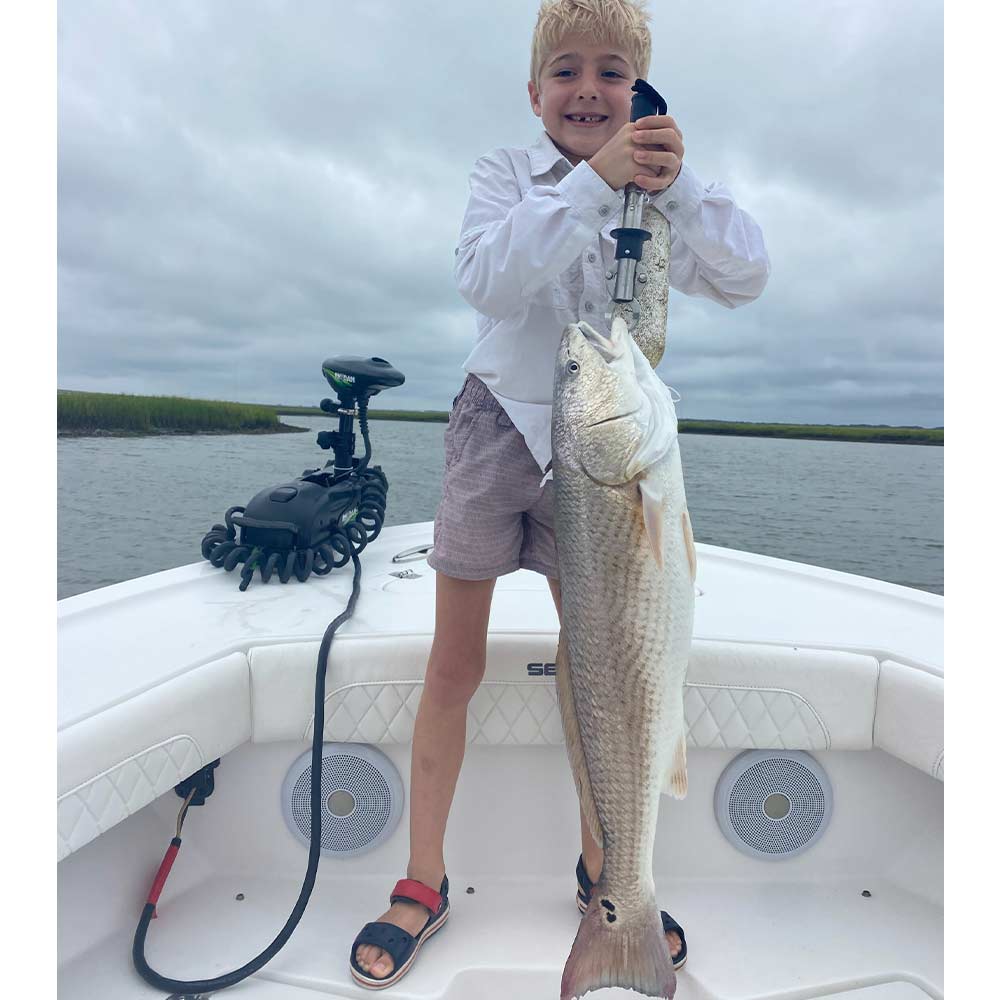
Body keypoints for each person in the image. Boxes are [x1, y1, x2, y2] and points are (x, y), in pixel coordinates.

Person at [349, 0, 769, 987]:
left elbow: (745, 273)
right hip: (500, 428)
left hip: (612, 447)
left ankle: (609, 879)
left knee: (605, 668)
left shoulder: (659, 190)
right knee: (453, 665)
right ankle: (421, 877)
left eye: (613, 73)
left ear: (642, 89)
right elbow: (487, 280)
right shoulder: (508, 175)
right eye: (568, 70)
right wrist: (592, 182)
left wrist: (679, 179)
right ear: (534, 91)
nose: (590, 89)